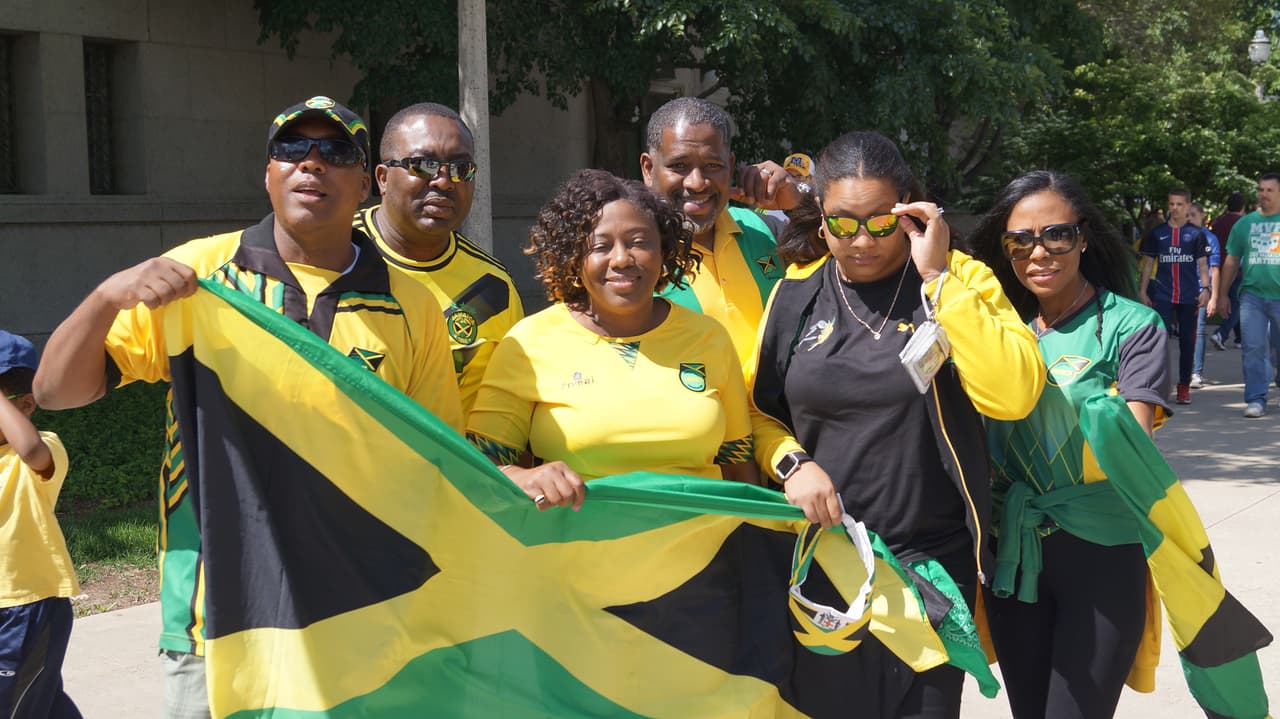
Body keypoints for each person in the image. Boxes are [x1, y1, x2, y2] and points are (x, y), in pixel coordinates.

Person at [32, 96, 464, 719]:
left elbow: (439, 464)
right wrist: (105, 297)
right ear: (268, 172)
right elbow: (54, 393)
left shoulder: (414, 305)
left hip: (364, 613)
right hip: (219, 618)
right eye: (291, 150)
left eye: (335, 152)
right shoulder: (198, 276)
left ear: (366, 180)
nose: (310, 164)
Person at [750, 131, 1044, 718]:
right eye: (843, 223)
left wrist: (936, 279)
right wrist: (793, 463)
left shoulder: (961, 279)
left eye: (882, 223)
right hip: (829, 558)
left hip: (932, 564)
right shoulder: (795, 295)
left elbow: (1014, 393)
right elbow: (759, 415)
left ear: (910, 210)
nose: (862, 241)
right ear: (821, 217)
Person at [965, 170, 1170, 719]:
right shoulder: (994, 330)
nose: (1039, 252)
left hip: (1102, 555)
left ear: (1084, 238)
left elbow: (1134, 442)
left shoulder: (1132, 326)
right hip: (1014, 555)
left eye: (1056, 235)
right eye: (1020, 241)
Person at [467, 169, 756, 508]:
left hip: (707, 554)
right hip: (577, 553)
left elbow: (740, 473)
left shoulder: (709, 338)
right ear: (574, 258)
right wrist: (523, 477)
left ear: (663, 251)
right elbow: (476, 469)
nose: (621, 259)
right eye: (600, 246)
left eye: (638, 242)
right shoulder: (529, 344)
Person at [353, 102, 523, 414]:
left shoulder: (493, 289)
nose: (444, 182)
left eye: (461, 169)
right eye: (422, 165)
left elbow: (507, 413)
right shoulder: (337, 254)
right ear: (382, 178)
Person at [640, 96, 801, 371]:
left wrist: (796, 203)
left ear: (730, 164)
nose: (697, 183)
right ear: (648, 169)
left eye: (712, 166)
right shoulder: (632, 254)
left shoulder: (765, 231)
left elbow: (846, 261)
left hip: (776, 414)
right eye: (679, 166)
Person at [0, 332, 81, 719]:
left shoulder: (42, 449)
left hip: (26, 607)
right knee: (42, 705)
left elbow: (31, 451)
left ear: (25, 404)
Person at [1139, 188, 1211, 405]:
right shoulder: (1158, 233)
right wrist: (1142, 291)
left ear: (1188, 206)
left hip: (1189, 296)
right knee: (1160, 341)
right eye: (1172, 204)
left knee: (1188, 343)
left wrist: (1206, 288)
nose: (1175, 208)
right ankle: (1159, 386)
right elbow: (1149, 263)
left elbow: (1202, 264)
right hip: (1163, 294)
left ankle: (1184, 387)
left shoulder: (1196, 234)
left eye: (1180, 204)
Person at [1218, 172, 1280, 418]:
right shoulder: (1245, 224)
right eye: (1260, 190)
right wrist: (1222, 294)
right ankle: (1256, 398)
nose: (1263, 194)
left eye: (1269, 190)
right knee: (1253, 347)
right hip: (1252, 296)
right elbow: (1232, 261)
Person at [1188, 202, 1221, 388]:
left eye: (1193, 214)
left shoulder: (1210, 238)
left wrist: (1214, 296)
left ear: (1202, 215)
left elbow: (1214, 269)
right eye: (1188, 215)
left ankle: (1196, 373)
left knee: (1199, 330)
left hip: (1201, 289)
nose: (1190, 218)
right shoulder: (1182, 235)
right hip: (1183, 289)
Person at [1209, 192, 1247, 350]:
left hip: (1219, 267)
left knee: (1233, 302)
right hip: (1237, 270)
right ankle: (1221, 334)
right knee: (1237, 304)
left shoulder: (1218, 222)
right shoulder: (1243, 223)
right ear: (1243, 207)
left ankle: (1240, 338)